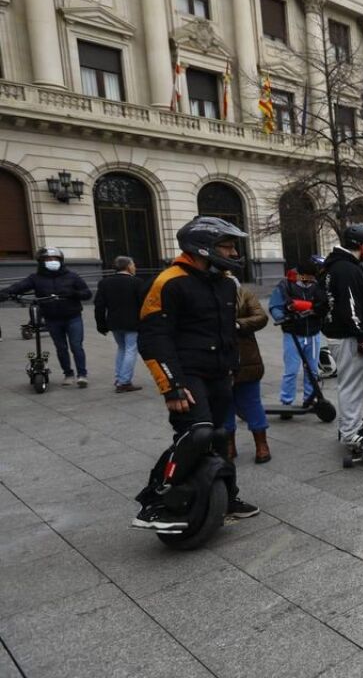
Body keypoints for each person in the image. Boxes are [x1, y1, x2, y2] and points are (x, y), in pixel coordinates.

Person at [132, 217, 258, 531]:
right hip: (186, 374)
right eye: (226, 246)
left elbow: (227, 331)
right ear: (203, 247)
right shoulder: (169, 281)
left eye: (232, 246)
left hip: (220, 374)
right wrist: (171, 386)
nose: (232, 252)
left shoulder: (227, 283)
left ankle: (227, 497)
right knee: (196, 433)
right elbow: (152, 339)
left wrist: (232, 370)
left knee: (220, 435)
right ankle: (157, 498)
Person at [1, 247, 92, 387]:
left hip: (72, 317)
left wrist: (75, 293)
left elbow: (87, 293)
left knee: (76, 346)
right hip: (52, 318)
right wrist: (5, 293)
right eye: (49, 259)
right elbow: (19, 286)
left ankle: (82, 375)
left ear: (61, 261)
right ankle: (68, 374)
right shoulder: (35, 278)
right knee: (61, 347)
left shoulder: (72, 276)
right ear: (42, 262)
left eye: (55, 259)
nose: (52, 261)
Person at [323, 225, 363, 446]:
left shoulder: (335, 265)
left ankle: (351, 420)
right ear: (362, 246)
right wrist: (362, 335)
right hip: (348, 336)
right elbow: (350, 305)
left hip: (341, 333)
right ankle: (349, 432)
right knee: (351, 384)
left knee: (351, 382)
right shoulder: (346, 268)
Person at [269, 258, 329, 411]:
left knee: (313, 370)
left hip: (313, 333)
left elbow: (324, 305)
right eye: (307, 277)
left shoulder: (317, 285)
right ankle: (286, 402)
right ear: (301, 274)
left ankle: (310, 399)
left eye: (312, 277)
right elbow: (275, 306)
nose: (309, 280)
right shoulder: (285, 285)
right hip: (293, 334)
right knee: (291, 370)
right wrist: (282, 318)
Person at [225, 278, 272, 463]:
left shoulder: (243, 293)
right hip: (217, 359)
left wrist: (237, 324)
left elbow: (261, 317)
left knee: (252, 402)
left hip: (245, 357)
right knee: (224, 403)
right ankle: (229, 445)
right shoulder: (203, 293)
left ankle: (262, 445)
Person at [94, 256, 145, 392]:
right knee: (130, 350)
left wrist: (101, 324)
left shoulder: (105, 283)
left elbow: (99, 305)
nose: (135, 267)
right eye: (133, 264)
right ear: (128, 266)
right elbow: (144, 304)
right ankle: (124, 382)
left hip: (114, 322)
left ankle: (119, 378)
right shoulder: (137, 282)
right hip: (133, 322)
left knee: (122, 348)